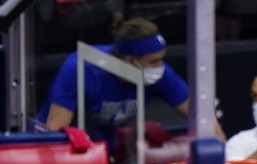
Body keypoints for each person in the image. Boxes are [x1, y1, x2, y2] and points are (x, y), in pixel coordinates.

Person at [35, 17, 226, 156]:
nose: (160, 67)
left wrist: (225, 161)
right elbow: (55, 131)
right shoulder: (82, 68)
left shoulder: (161, 75)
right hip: (59, 150)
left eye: (162, 59)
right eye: (153, 62)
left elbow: (204, 117)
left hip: (105, 148)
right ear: (129, 61)